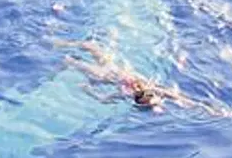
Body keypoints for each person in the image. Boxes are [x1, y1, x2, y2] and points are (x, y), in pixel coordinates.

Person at [62, 39, 211, 113]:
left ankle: (61, 51)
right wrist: (205, 108)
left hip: (108, 74)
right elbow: (179, 98)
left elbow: (104, 99)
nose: (138, 87)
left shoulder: (126, 94)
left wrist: (88, 90)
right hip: (111, 71)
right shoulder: (149, 88)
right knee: (89, 48)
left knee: (77, 61)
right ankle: (61, 45)